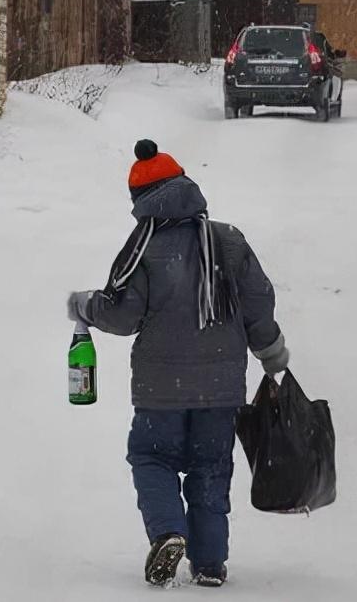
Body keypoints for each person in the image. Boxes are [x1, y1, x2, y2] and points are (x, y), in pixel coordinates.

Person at [67, 139, 290, 589]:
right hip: (221, 388)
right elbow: (257, 306)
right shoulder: (227, 240)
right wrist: (271, 355)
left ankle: (168, 532)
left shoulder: (141, 249)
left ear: (140, 201)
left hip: (159, 390)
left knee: (152, 457)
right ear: (188, 187)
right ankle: (209, 563)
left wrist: (83, 306)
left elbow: (123, 313)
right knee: (211, 466)